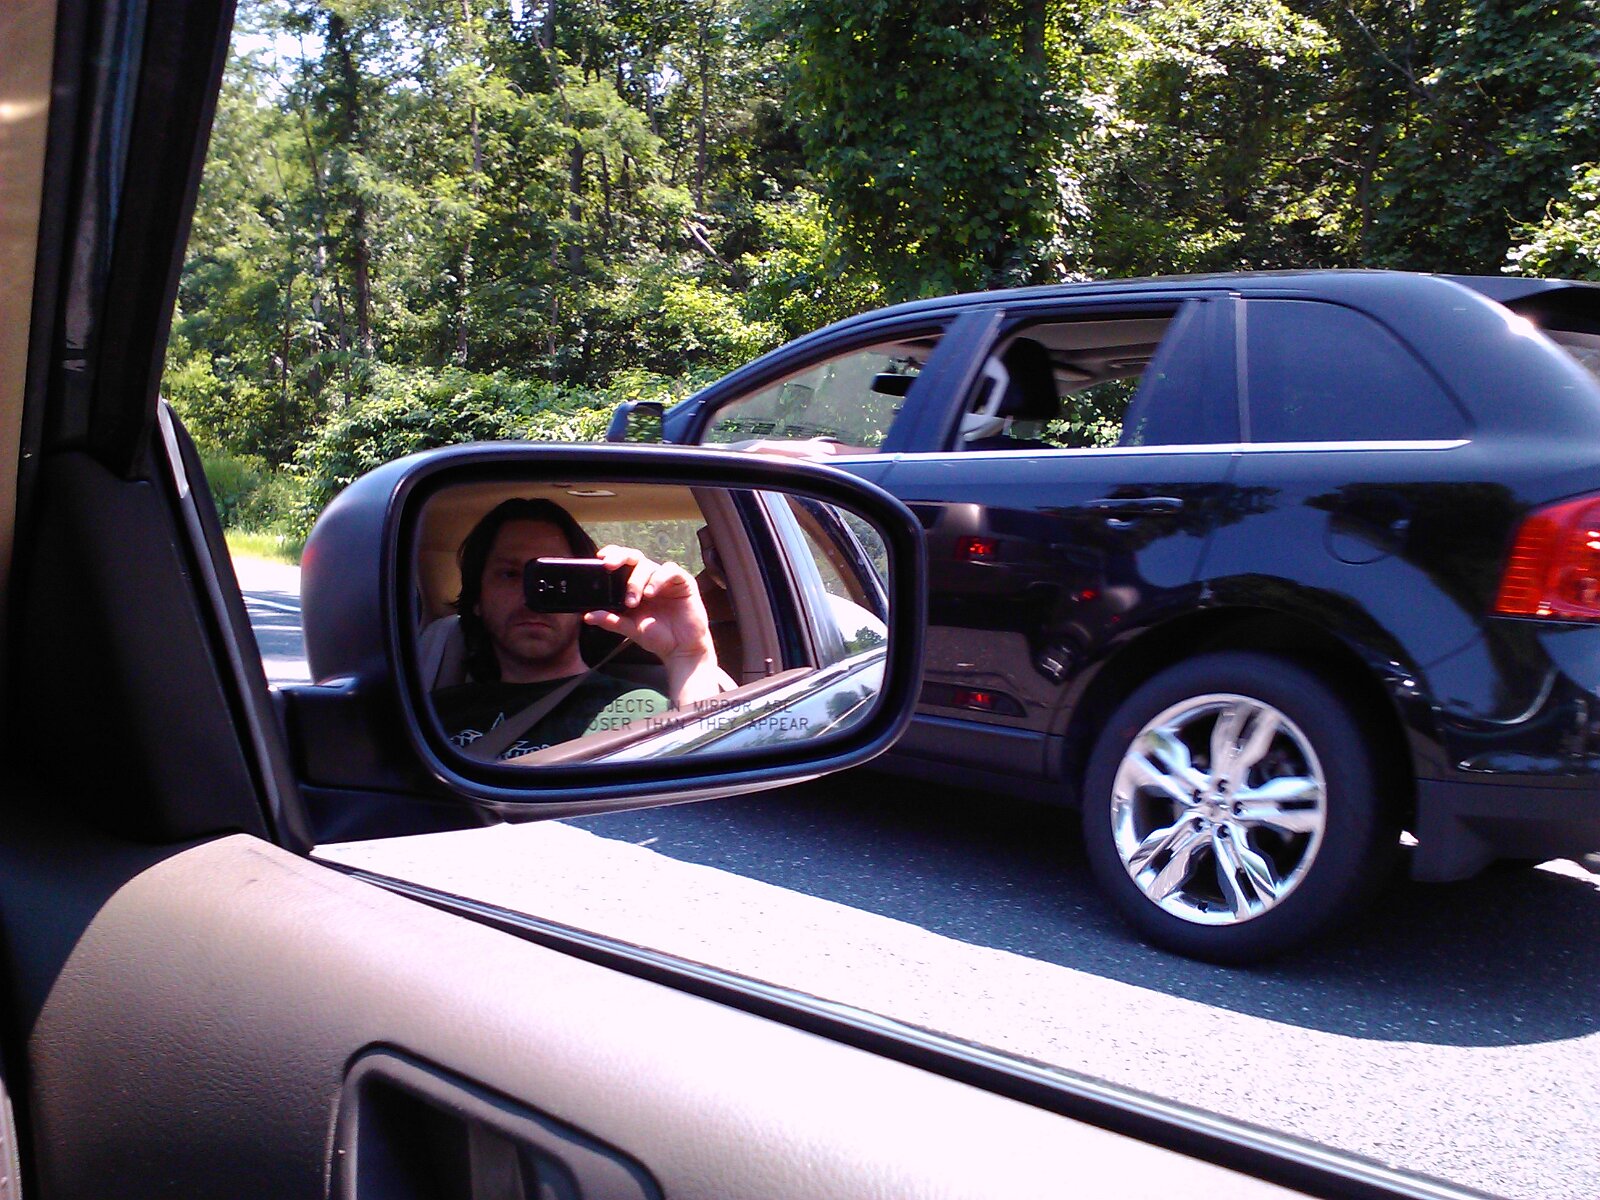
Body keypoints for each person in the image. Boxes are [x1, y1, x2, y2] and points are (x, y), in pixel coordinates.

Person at [431, 497, 724, 761]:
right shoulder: (429, 714)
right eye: (509, 574)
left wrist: (688, 655)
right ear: (477, 598)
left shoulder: (634, 709)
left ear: (584, 593)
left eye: (553, 577)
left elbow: (699, 782)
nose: (530, 596)